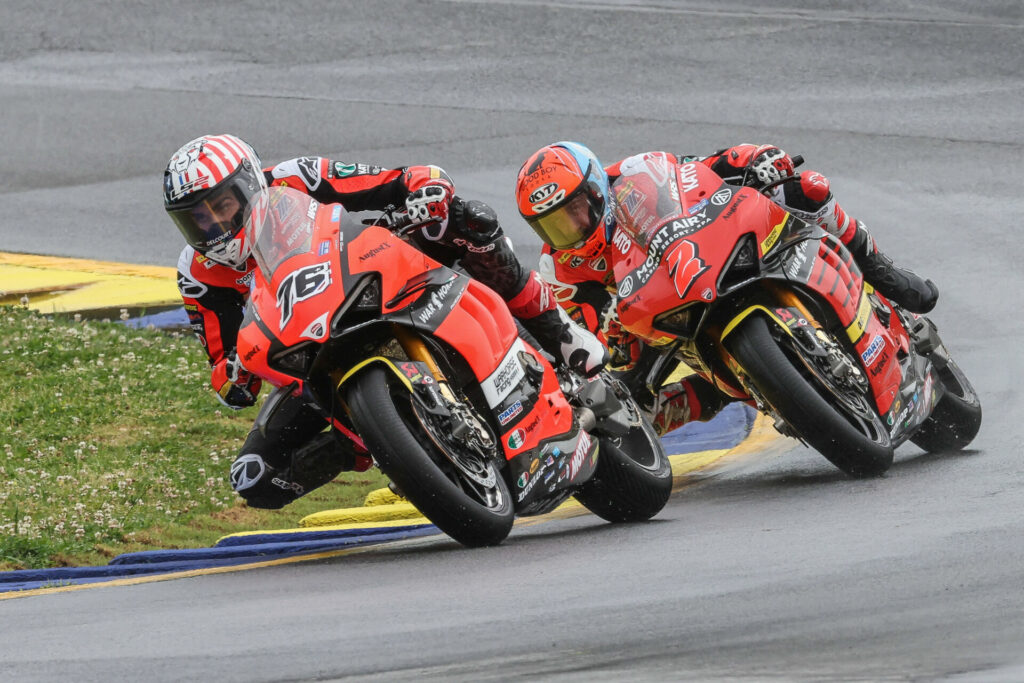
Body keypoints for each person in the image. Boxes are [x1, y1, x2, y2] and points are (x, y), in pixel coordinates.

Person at [163, 134, 607, 509]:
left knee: (464, 220)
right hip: (310, 353)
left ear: (251, 183)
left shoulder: (298, 178)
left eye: (222, 205)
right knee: (255, 479)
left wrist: (425, 193)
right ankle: (387, 447)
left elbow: (402, 178)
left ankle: (561, 334)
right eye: (198, 219)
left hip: (374, 278)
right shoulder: (198, 274)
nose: (216, 224)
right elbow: (223, 371)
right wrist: (235, 374)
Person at [514, 141, 939, 435]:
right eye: (552, 224)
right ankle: (722, 391)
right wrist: (610, 346)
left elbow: (706, 168)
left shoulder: (634, 173)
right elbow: (582, 331)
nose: (569, 229)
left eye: (573, 211)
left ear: (593, 190)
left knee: (807, 189)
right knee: (630, 411)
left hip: (707, 251)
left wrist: (754, 159)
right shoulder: (561, 268)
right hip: (658, 317)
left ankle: (878, 268)